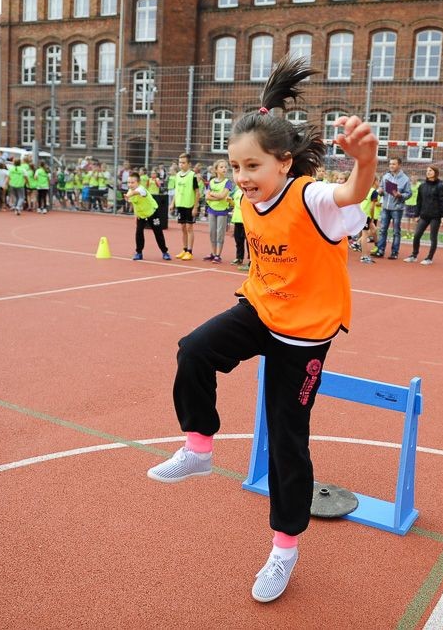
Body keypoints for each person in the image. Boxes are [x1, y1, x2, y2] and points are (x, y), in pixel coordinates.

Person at [146, 56, 378, 604]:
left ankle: (283, 549)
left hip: (305, 334)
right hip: (260, 308)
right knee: (194, 350)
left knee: (287, 439)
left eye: (251, 167)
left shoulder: (310, 196)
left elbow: (350, 194)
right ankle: (199, 446)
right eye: (234, 167)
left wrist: (364, 162)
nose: (241, 178)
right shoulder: (251, 201)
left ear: (284, 162)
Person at [404, 165, 443, 265]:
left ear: (435, 172)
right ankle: (414, 255)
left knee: (433, 237)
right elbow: (419, 201)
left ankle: (429, 258)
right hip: (424, 215)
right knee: (416, 235)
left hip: (436, 216)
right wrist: (417, 215)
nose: (428, 172)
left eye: (430, 170)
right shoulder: (422, 186)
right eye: (427, 171)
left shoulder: (440, 186)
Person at [371, 157, 411, 259]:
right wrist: (380, 191)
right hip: (385, 207)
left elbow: (409, 194)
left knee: (396, 231)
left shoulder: (405, 179)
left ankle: (394, 252)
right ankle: (380, 250)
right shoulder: (386, 176)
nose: (391, 166)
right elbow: (382, 187)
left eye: (393, 164)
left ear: (399, 165)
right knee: (383, 229)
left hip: (397, 208)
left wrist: (400, 195)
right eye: (390, 164)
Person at [125, 173, 172, 261]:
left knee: (158, 233)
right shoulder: (129, 192)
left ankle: (165, 252)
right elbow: (136, 205)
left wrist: (129, 195)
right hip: (141, 215)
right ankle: (139, 253)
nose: (130, 184)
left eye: (132, 182)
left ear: (138, 183)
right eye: (128, 182)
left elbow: (137, 192)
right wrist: (136, 216)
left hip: (152, 213)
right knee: (139, 232)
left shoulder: (141, 189)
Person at [170, 153, 201, 259]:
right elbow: (177, 191)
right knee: (183, 228)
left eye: (183, 163)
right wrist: (172, 203)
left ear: (189, 164)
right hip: (180, 205)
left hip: (189, 205)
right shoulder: (177, 175)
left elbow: (197, 192)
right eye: (180, 162)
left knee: (189, 227)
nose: (181, 165)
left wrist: (195, 207)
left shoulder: (193, 176)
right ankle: (184, 249)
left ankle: (190, 251)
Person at [203, 159, 234, 263]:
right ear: (216, 170)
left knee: (220, 233)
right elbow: (207, 197)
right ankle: (213, 253)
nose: (224, 169)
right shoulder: (211, 182)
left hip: (222, 211)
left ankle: (218, 255)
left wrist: (213, 194)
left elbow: (222, 196)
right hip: (212, 210)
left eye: (225, 167)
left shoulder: (228, 182)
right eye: (221, 167)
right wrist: (216, 196)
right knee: (212, 232)